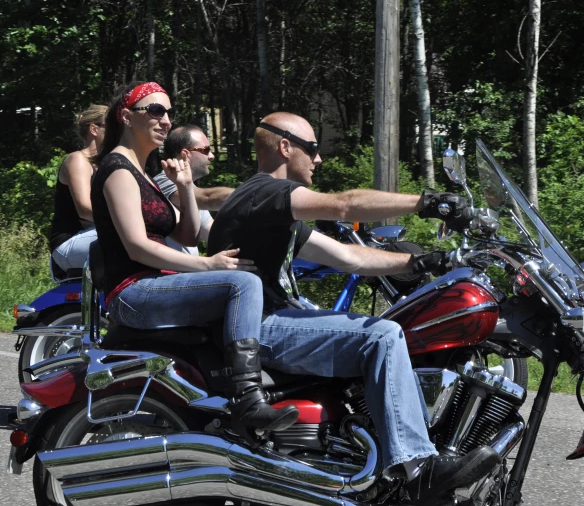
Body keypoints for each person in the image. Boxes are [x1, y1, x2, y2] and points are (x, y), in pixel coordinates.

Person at [207, 112, 500, 502]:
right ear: (284, 147)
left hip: (266, 322)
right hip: (261, 327)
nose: (319, 159)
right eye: (312, 149)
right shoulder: (266, 192)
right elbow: (344, 206)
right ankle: (417, 469)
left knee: (386, 329)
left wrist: (427, 263)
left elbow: (349, 257)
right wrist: (429, 203)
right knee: (381, 336)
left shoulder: (269, 211)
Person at [90, 82, 298, 435]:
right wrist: (208, 264)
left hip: (155, 283)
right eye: (155, 110)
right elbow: (137, 247)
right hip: (133, 292)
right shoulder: (118, 170)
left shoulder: (144, 173)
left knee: (247, 279)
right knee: (242, 283)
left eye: (169, 112)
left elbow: (186, 235)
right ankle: (248, 398)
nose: (166, 120)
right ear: (127, 117)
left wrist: (185, 186)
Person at [153, 124, 233, 254]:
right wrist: (254, 196)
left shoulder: (190, 188)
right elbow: (208, 198)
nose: (211, 156)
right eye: (206, 150)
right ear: (186, 155)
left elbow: (214, 235)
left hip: (189, 272)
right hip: (171, 273)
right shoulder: (163, 182)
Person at [49, 105, 107, 273]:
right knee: (133, 238)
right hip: (68, 242)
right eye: (113, 125)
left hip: (95, 234)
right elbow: (85, 209)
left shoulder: (108, 164)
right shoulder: (78, 160)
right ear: (94, 129)